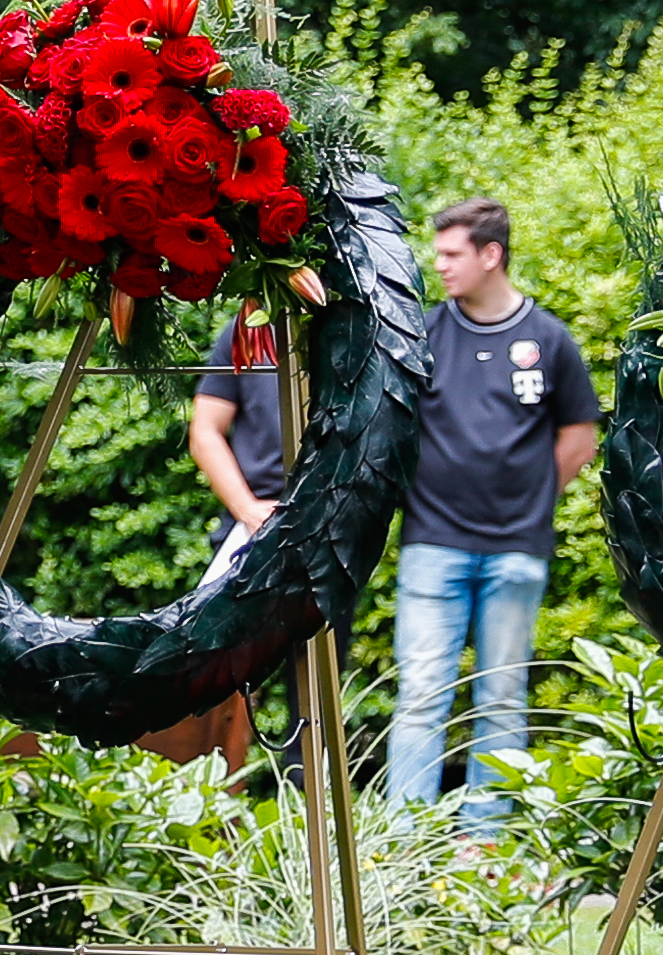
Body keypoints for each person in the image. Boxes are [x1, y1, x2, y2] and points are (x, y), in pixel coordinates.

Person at [193, 197, 596, 815]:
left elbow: (579, 434)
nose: (440, 265)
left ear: (492, 255)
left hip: (501, 546)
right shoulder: (411, 333)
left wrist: (534, 495)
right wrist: (253, 509)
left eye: (452, 253)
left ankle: (481, 836)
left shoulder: (544, 338)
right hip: (417, 540)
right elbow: (220, 428)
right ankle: (404, 831)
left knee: (497, 695)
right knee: (413, 694)